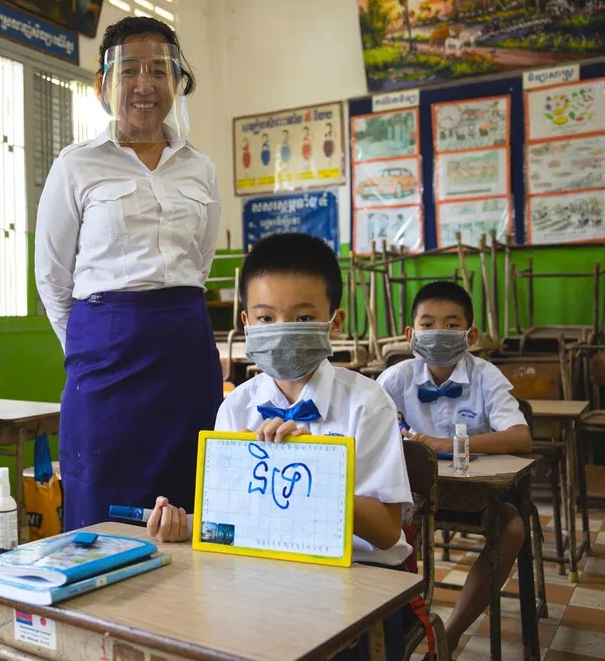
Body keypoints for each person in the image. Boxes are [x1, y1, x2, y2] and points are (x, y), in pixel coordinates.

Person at [145, 233, 415, 661]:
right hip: (264, 577)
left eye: (303, 318)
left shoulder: (367, 402)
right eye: (267, 319)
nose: (282, 331)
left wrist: (318, 474)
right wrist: (188, 524)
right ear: (246, 324)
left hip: (360, 582)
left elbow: (385, 533)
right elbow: (231, 520)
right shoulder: (236, 406)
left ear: (335, 322)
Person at [34, 16, 222, 530]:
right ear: (103, 85)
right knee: (101, 495)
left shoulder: (199, 167)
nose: (145, 85)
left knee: (189, 493)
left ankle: (187, 613)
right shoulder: (76, 166)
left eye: (159, 70)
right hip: (104, 355)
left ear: (177, 81)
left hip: (185, 346)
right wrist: (92, 348)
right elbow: (52, 277)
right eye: (130, 71)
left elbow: (199, 262)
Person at [376, 281, 532, 654]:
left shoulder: (485, 376)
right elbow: (366, 428)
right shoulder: (397, 378)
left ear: (470, 334)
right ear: (411, 334)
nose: (438, 333)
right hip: (411, 497)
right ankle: (393, 627)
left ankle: (453, 631)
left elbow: (520, 437)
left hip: (473, 495)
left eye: (451, 324)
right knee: (370, 522)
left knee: (512, 527)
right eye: (428, 325)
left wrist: (444, 446)